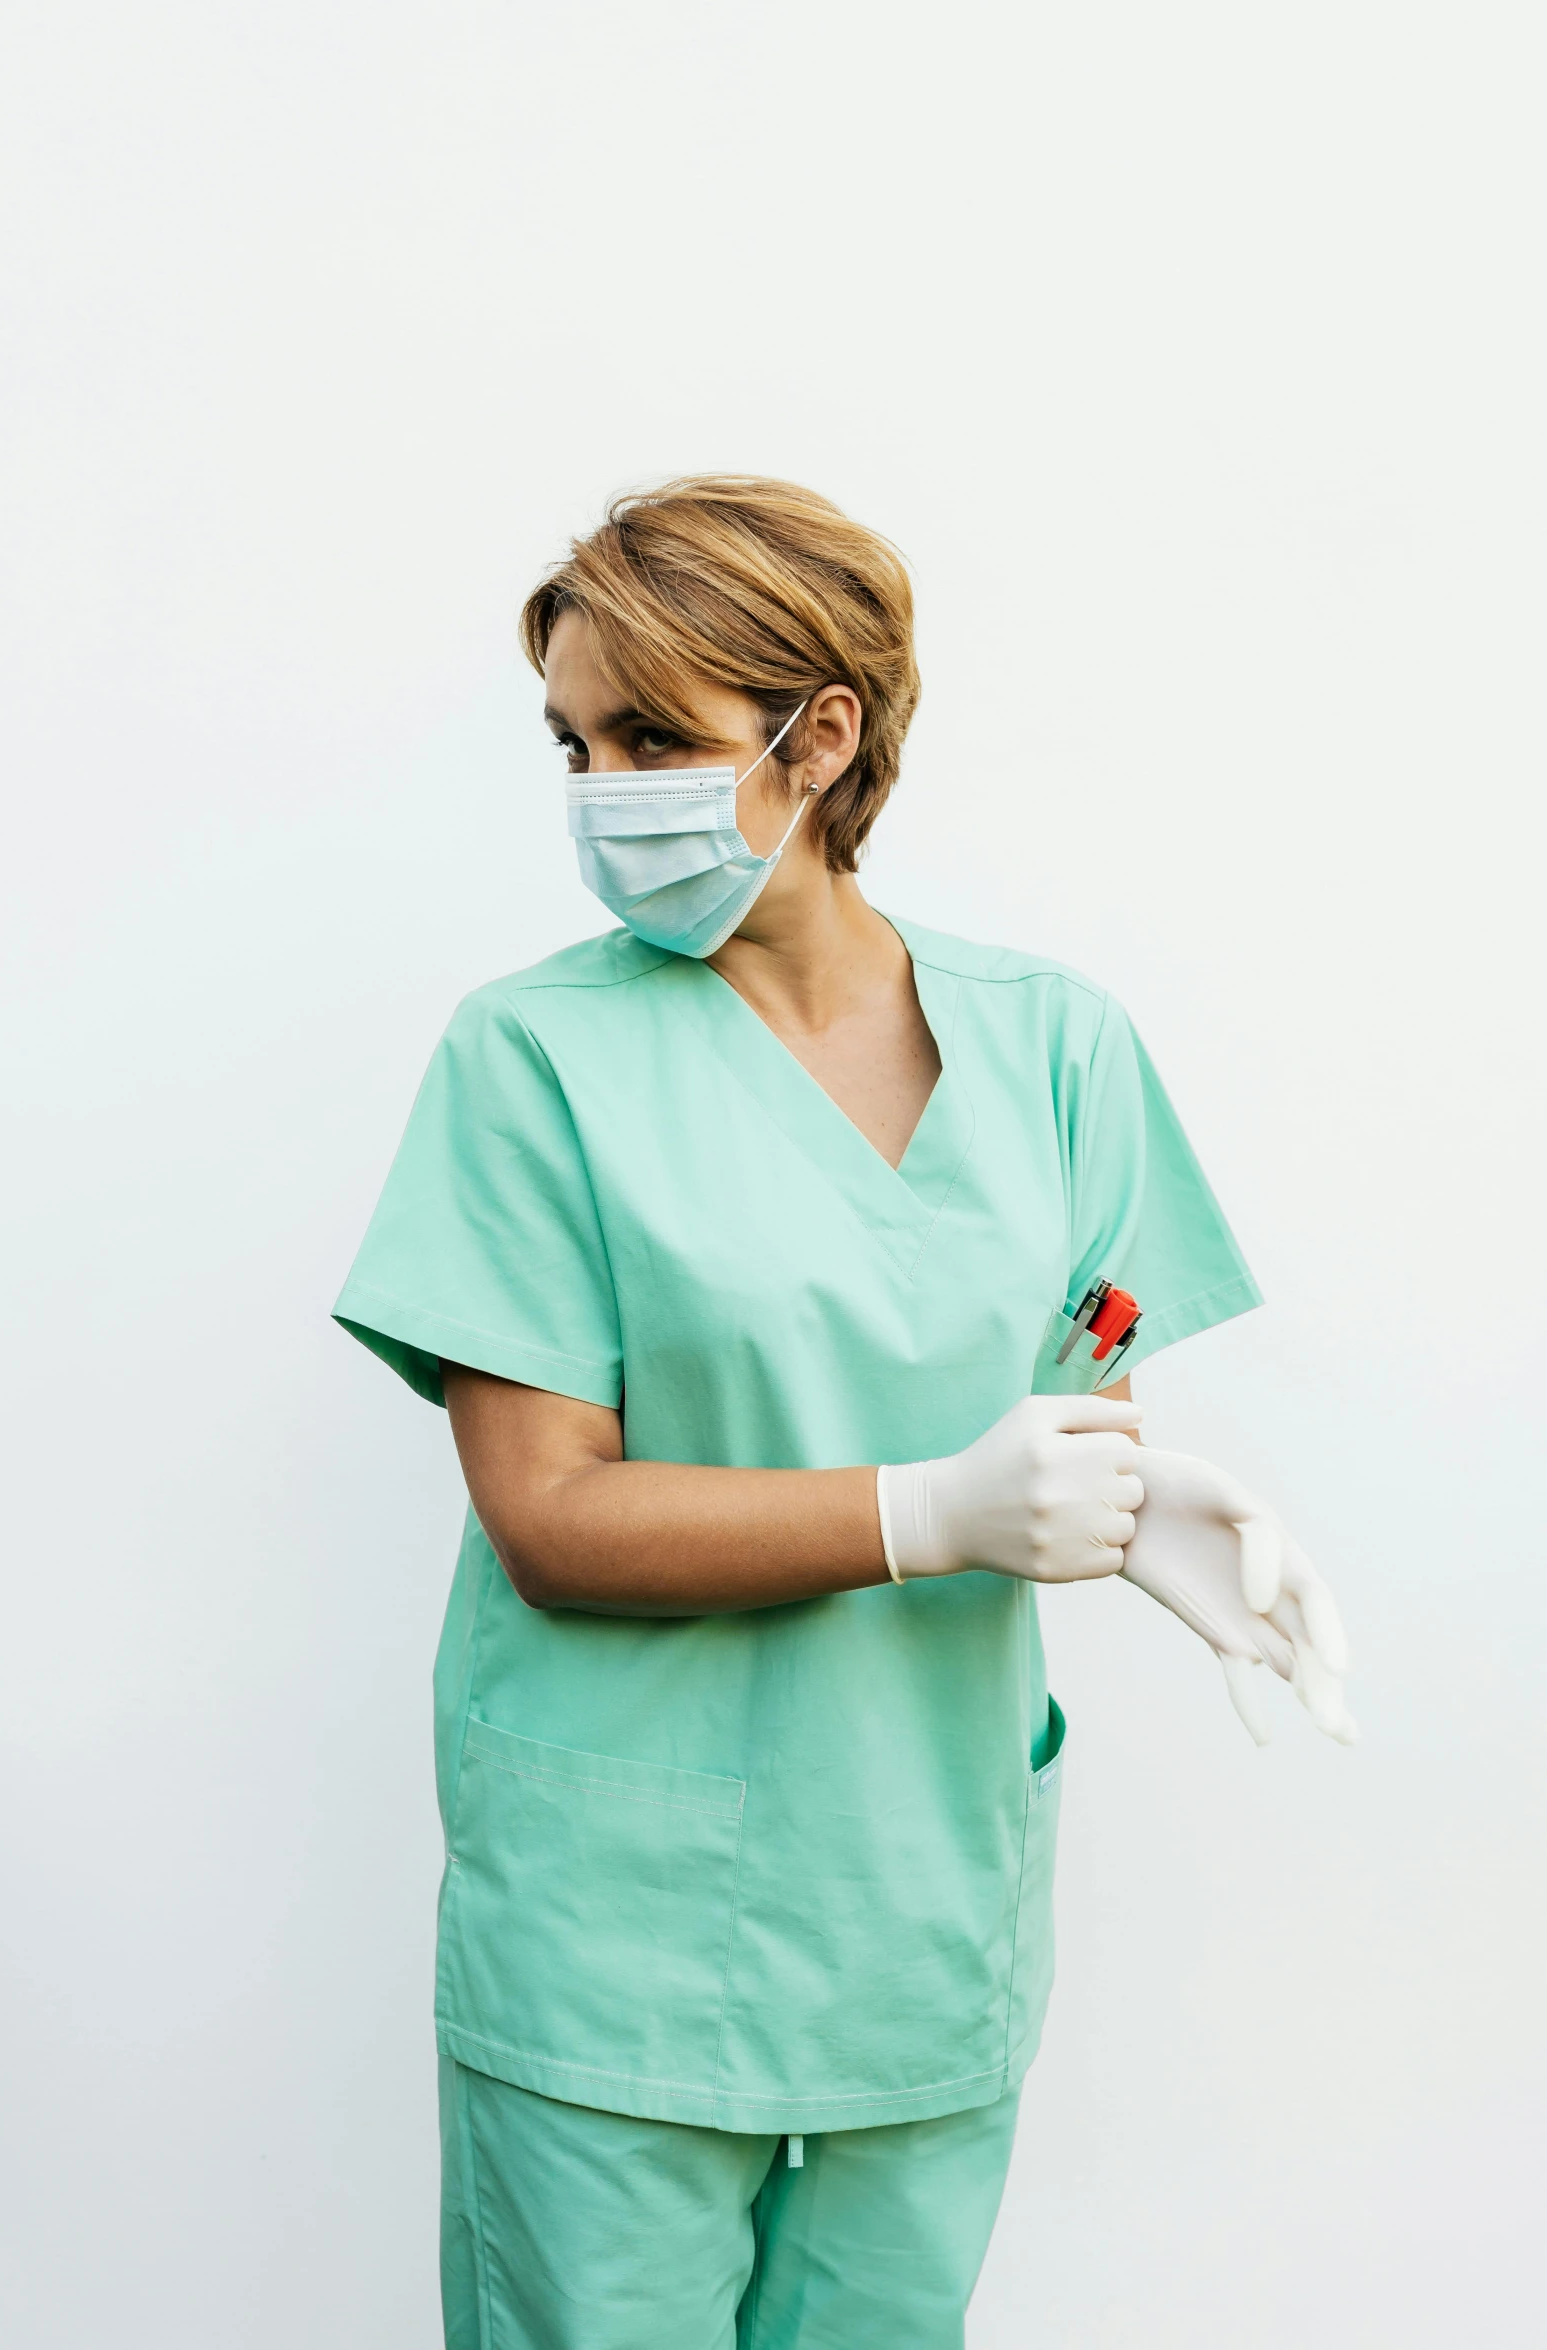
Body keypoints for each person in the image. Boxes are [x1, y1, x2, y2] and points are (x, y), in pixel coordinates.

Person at [334, 476, 1353, 2350]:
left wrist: (1148, 1518)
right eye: (572, 740)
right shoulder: (532, 1055)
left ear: (821, 737)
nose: (597, 787)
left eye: (652, 735)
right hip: (618, 1926)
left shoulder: (1058, 1045)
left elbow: (1068, 1423)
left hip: (920, 1889)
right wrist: (929, 1513)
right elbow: (551, 1519)